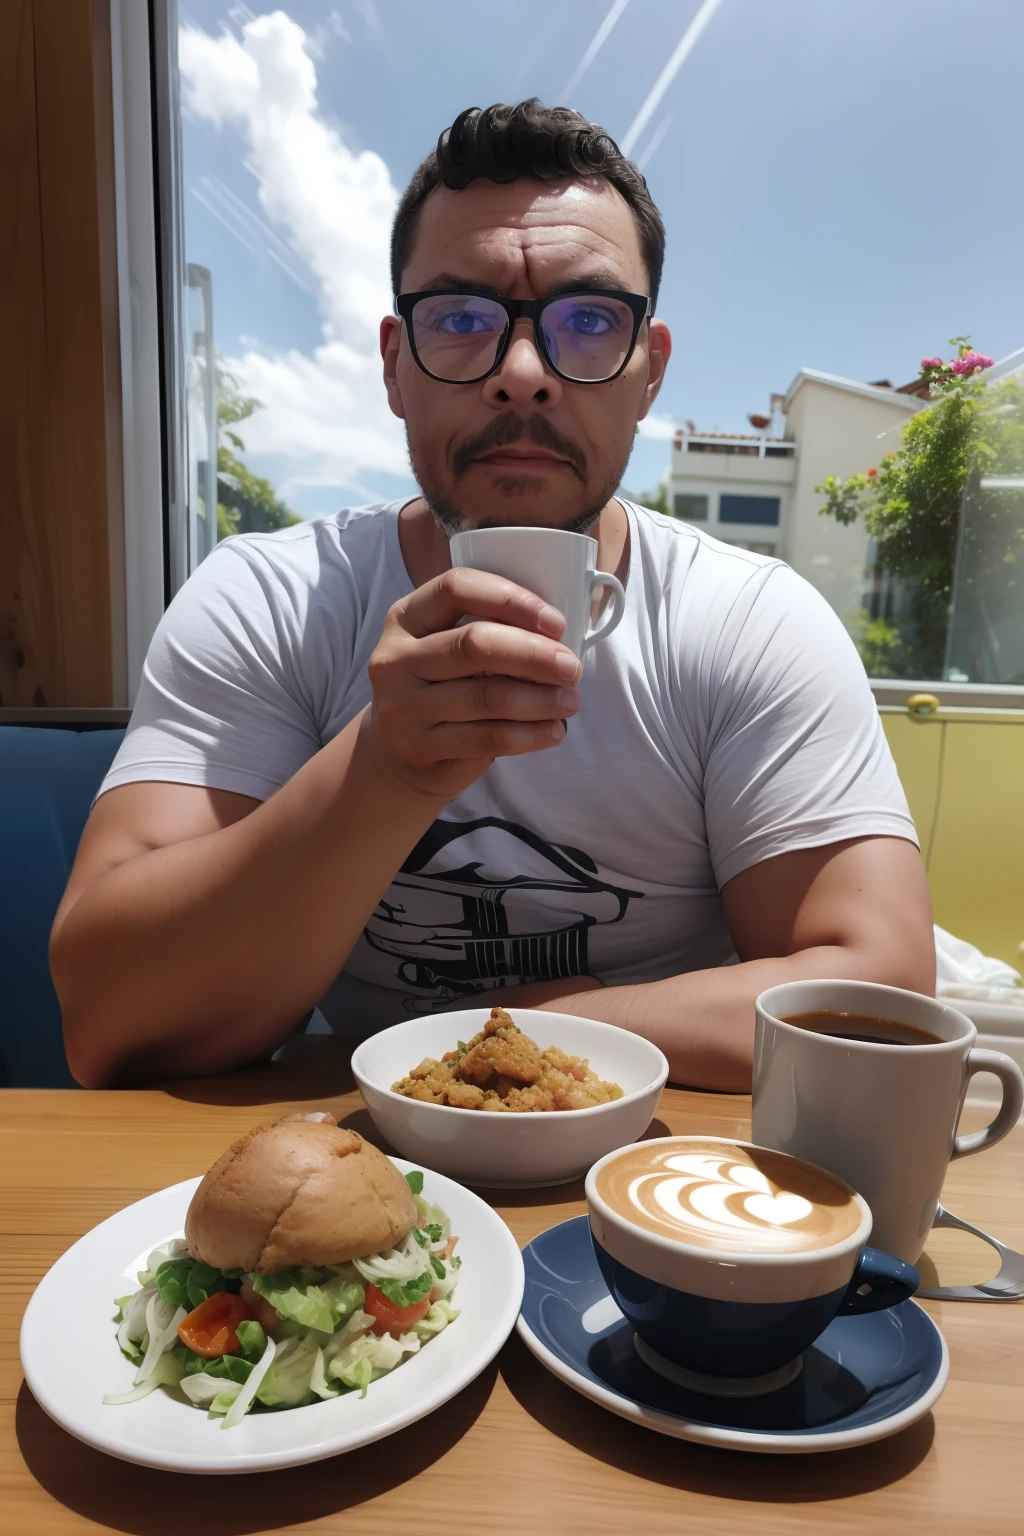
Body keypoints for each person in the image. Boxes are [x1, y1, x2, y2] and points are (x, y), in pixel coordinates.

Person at [52, 100, 934, 1091]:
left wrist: (536, 1031)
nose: (522, 375)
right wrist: (381, 773)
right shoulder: (273, 600)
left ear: (647, 373)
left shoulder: (744, 621)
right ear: (395, 367)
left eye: (590, 321)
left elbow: (880, 990)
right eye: (462, 320)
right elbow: (108, 1018)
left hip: (657, 1186)